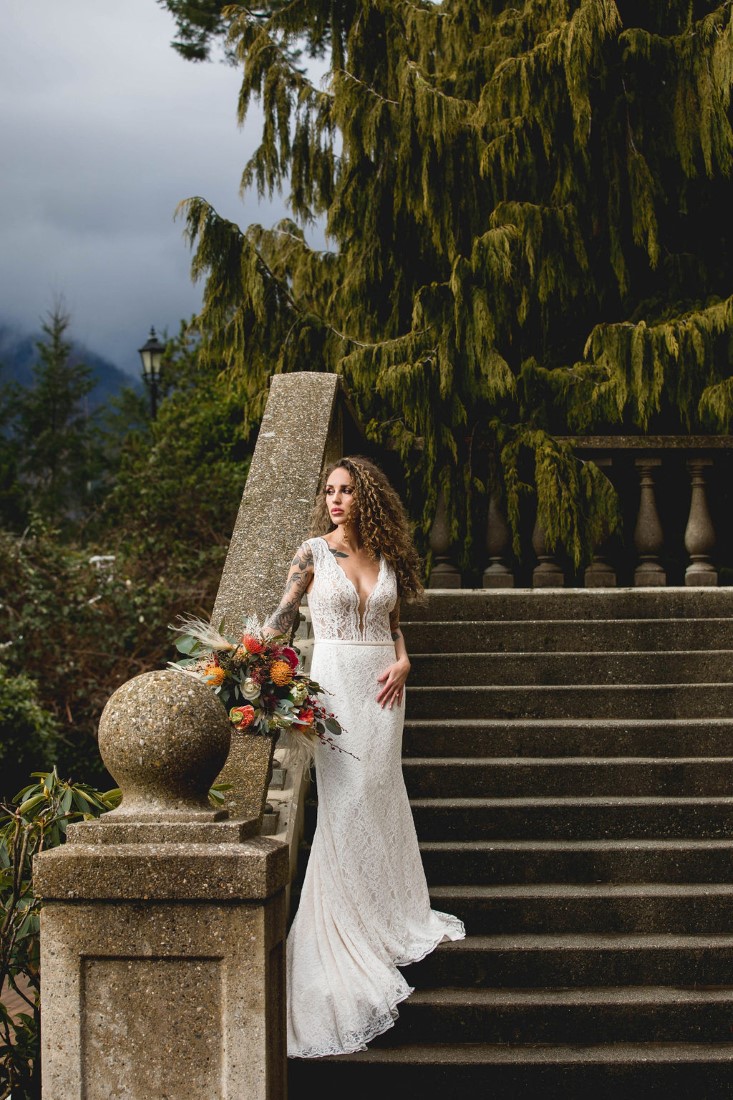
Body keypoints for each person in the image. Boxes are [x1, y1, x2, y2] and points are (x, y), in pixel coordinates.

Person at [264, 455, 465, 1059]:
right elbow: (281, 617)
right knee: (345, 803)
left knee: (379, 795)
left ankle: (387, 913)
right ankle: (346, 931)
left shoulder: (385, 556)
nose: (335, 500)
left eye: (346, 491)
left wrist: (404, 659)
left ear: (366, 497)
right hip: (334, 688)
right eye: (329, 490)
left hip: (384, 687)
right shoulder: (311, 553)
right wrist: (247, 661)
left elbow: (393, 619)